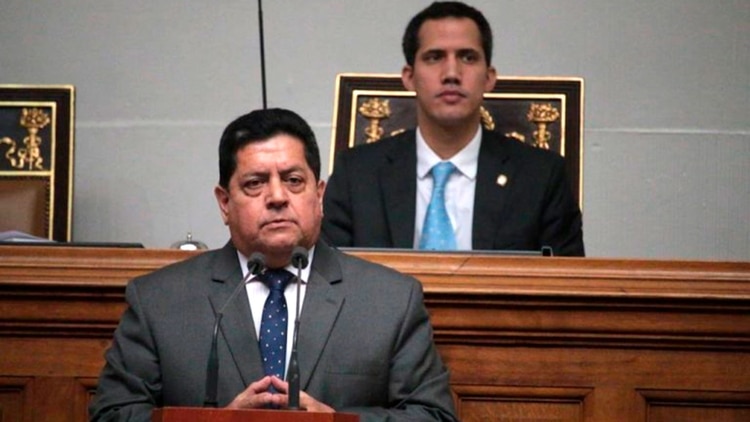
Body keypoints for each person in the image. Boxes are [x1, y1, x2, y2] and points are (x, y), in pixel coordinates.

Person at [89, 108, 458, 421]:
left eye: (294, 180)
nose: (278, 197)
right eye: (255, 183)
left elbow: (434, 415)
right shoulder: (159, 301)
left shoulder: (390, 300)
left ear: (320, 194)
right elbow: (110, 413)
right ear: (223, 203)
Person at [322, 1, 585, 256]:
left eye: (467, 57)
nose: (451, 73)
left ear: (489, 77)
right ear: (409, 77)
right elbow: (328, 281)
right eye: (434, 57)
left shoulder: (541, 177)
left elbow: (567, 288)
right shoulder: (356, 175)